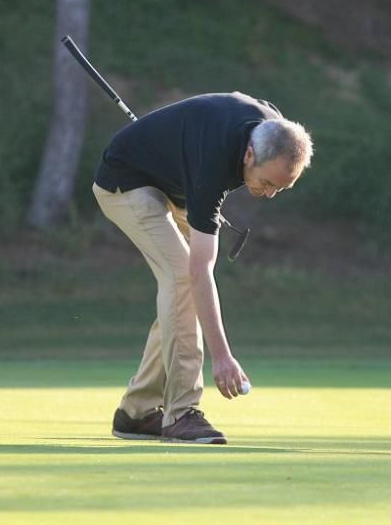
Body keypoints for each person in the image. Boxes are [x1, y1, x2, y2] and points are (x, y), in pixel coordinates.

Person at [94, 92, 313, 444]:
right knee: (183, 279)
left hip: (174, 185)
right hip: (126, 183)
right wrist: (222, 357)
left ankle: (137, 412)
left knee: (182, 294)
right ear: (249, 154)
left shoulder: (276, 130)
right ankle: (181, 413)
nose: (270, 194)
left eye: (281, 188)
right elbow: (199, 272)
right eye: (268, 183)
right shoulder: (213, 162)